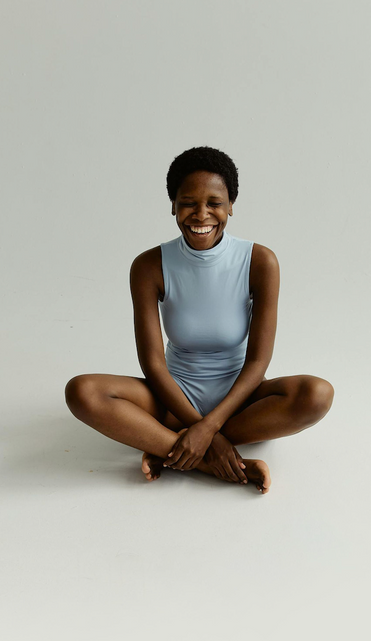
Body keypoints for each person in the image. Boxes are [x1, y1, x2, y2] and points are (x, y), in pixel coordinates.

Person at [65, 146, 334, 494]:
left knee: (316, 394)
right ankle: (212, 460)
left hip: (240, 399)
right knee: (82, 391)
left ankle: (169, 449)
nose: (201, 213)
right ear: (173, 206)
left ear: (231, 206)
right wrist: (201, 429)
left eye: (214, 203)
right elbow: (153, 364)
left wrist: (209, 428)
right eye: (188, 202)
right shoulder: (148, 266)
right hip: (174, 397)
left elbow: (258, 361)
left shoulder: (259, 261)